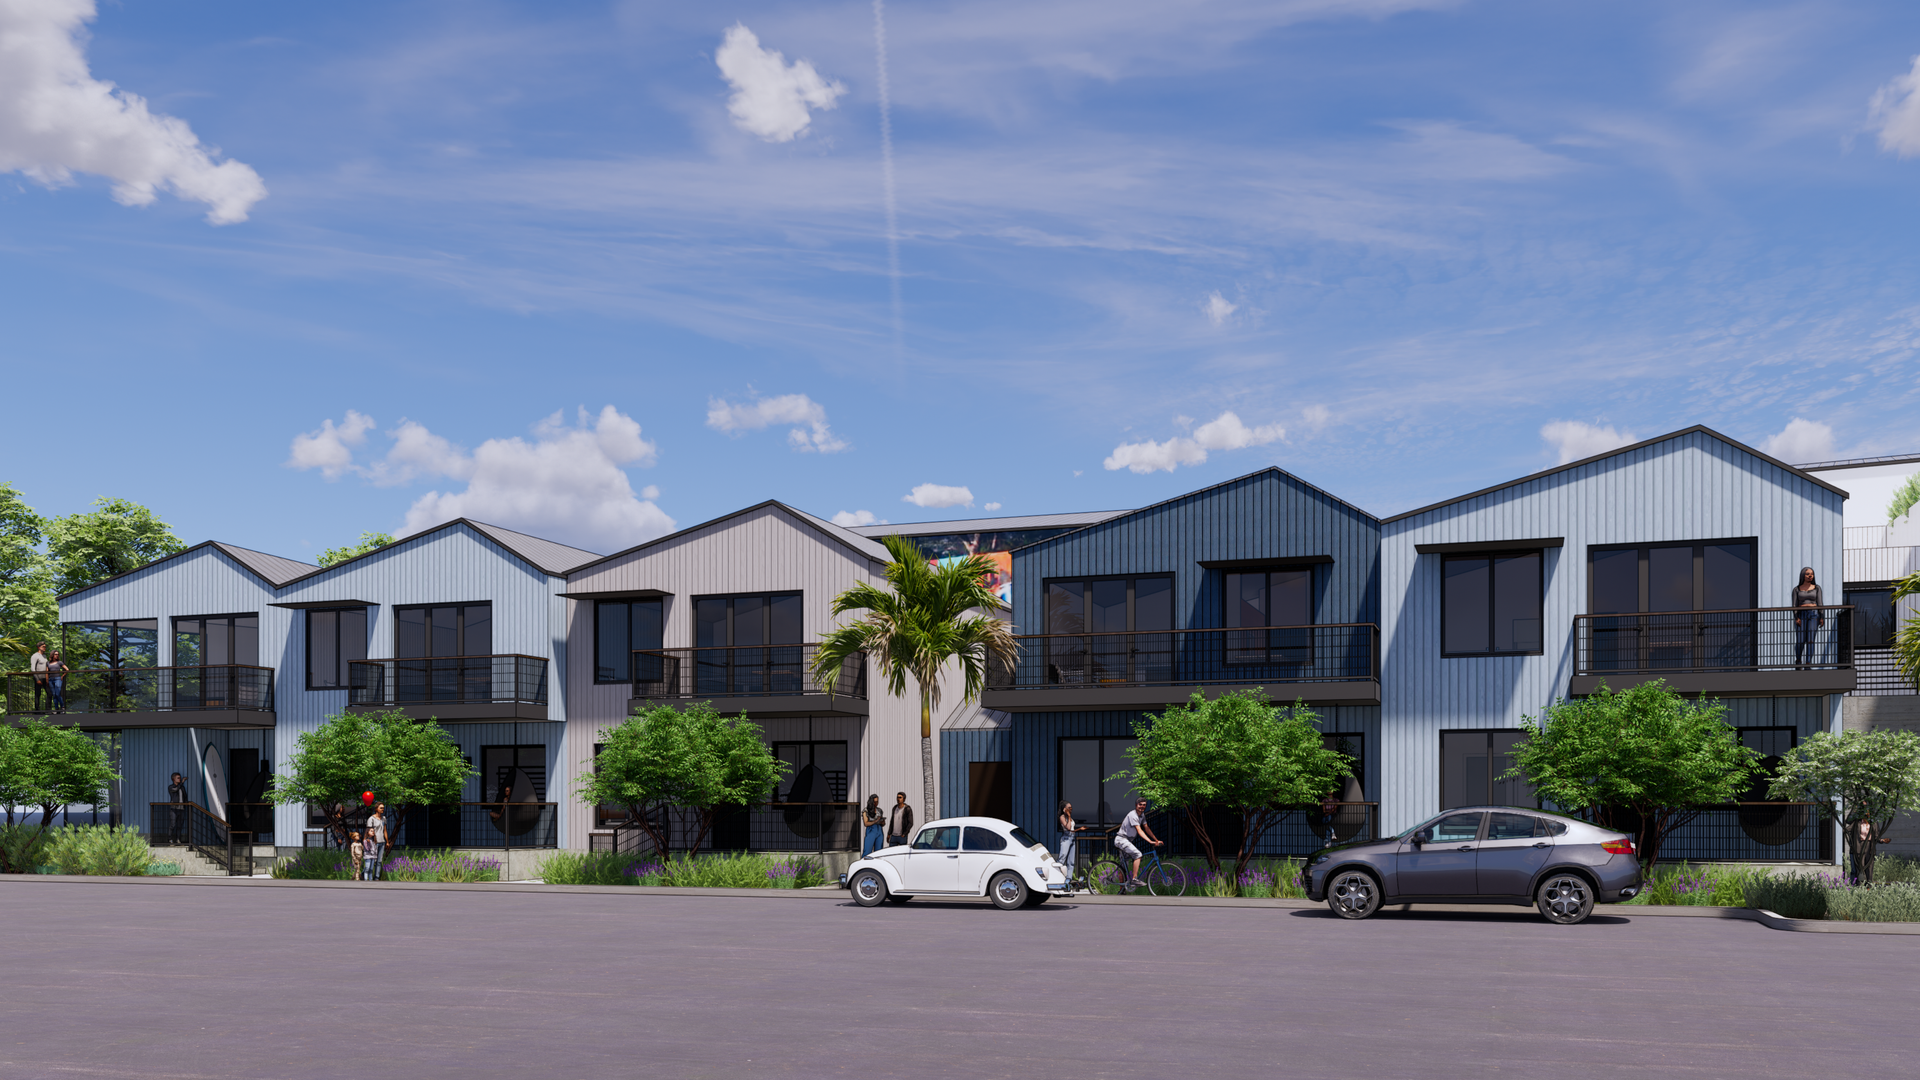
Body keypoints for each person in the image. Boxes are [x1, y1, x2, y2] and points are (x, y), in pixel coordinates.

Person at [1115, 798, 1163, 892]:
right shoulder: (1133, 815)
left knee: (1123, 867)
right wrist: (1150, 842)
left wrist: (1156, 840)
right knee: (1138, 854)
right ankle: (1134, 879)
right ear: (1136, 805)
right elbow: (1139, 830)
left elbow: (1146, 828)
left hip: (1127, 841)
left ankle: (1121, 890)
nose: (1142, 806)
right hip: (1122, 839)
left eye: (1144, 805)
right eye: (1140, 804)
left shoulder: (1142, 815)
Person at [1792, 567, 1823, 668]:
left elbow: (1820, 603)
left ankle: (1808, 662)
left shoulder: (1817, 588)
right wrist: (1796, 617)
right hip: (1801, 614)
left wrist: (1821, 616)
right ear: (1803, 576)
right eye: (1807, 574)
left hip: (1814, 614)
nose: (1810, 576)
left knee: (1810, 640)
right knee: (1800, 640)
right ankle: (1798, 660)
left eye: (1812, 574)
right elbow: (1794, 605)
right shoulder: (1796, 589)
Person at [365, 803, 388, 881]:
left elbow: (385, 830)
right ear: (376, 809)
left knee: (379, 861)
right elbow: (368, 831)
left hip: (382, 842)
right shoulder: (371, 819)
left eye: (383, 808)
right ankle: (363, 874)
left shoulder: (383, 818)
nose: (382, 809)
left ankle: (376, 877)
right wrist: (367, 841)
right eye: (381, 808)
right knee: (372, 860)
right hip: (374, 842)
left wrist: (387, 841)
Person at [1057, 801, 1080, 871]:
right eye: (1069, 808)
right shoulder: (1062, 817)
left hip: (1072, 838)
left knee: (1071, 861)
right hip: (1066, 838)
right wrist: (1069, 816)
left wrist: (1069, 817)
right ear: (1064, 809)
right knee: (1062, 858)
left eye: (1071, 808)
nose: (1071, 809)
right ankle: (1056, 874)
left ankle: (1069, 878)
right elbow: (1068, 827)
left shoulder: (1069, 818)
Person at [167, 772, 188, 844]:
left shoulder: (182, 787)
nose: (180, 779)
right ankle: (170, 839)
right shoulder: (171, 787)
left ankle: (178, 839)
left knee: (179, 825)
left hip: (181, 809)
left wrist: (186, 803)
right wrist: (182, 783)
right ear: (173, 779)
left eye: (180, 778)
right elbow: (175, 789)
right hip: (174, 809)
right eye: (178, 778)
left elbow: (185, 796)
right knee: (172, 824)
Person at [29, 642, 50, 713]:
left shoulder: (44, 656)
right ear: (39, 647)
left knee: (49, 693)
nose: (45, 648)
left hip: (45, 678)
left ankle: (48, 710)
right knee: (38, 694)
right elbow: (33, 668)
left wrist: (47, 678)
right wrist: (37, 679)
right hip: (38, 678)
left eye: (45, 646)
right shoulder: (35, 656)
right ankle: (37, 710)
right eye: (43, 646)